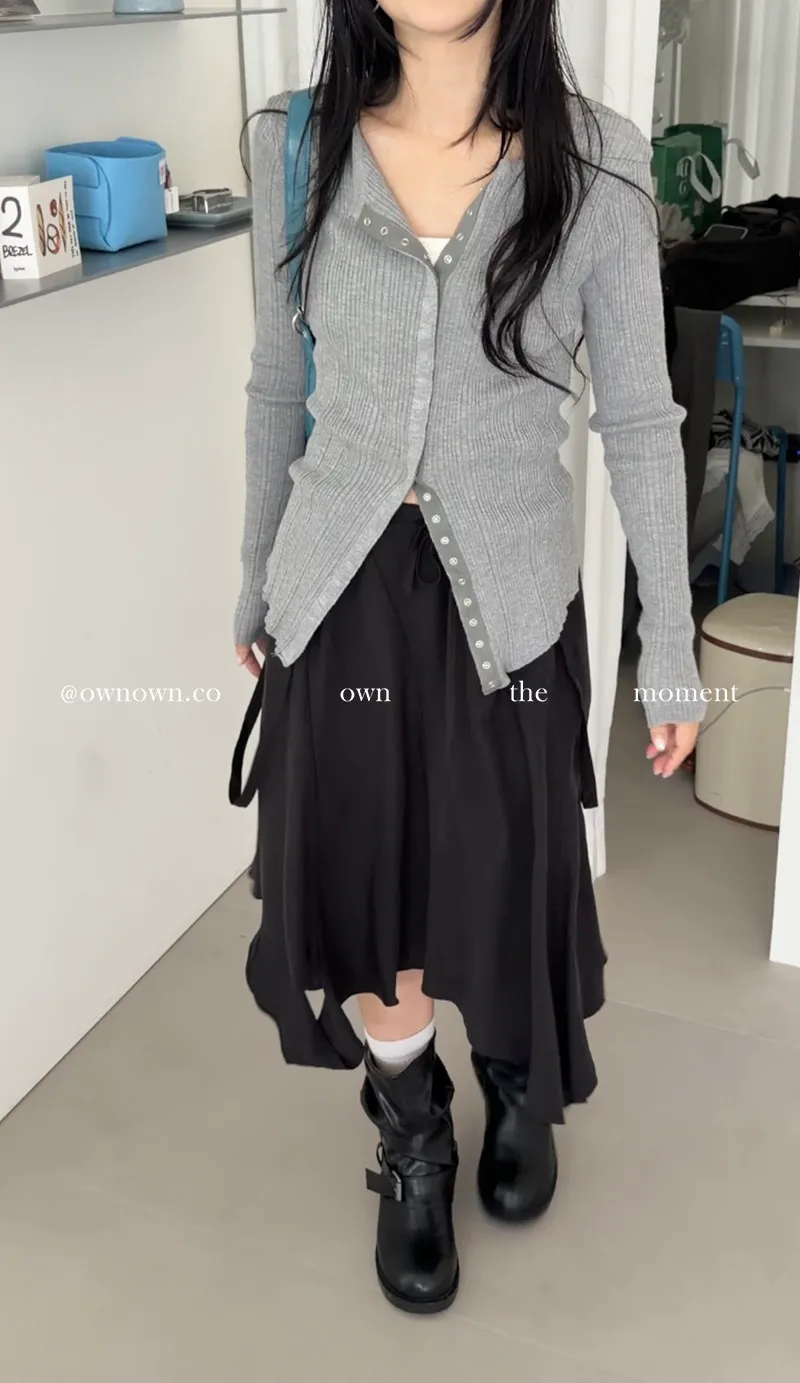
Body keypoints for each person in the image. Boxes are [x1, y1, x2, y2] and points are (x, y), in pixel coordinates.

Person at [230, 0, 704, 1317]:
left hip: (514, 603)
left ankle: (515, 1075)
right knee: (373, 893)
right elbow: (277, 382)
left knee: (499, 879)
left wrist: (672, 647)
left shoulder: (600, 161)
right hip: (340, 596)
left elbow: (643, 418)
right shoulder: (293, 145)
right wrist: (256, 579)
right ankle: (415, 1129)